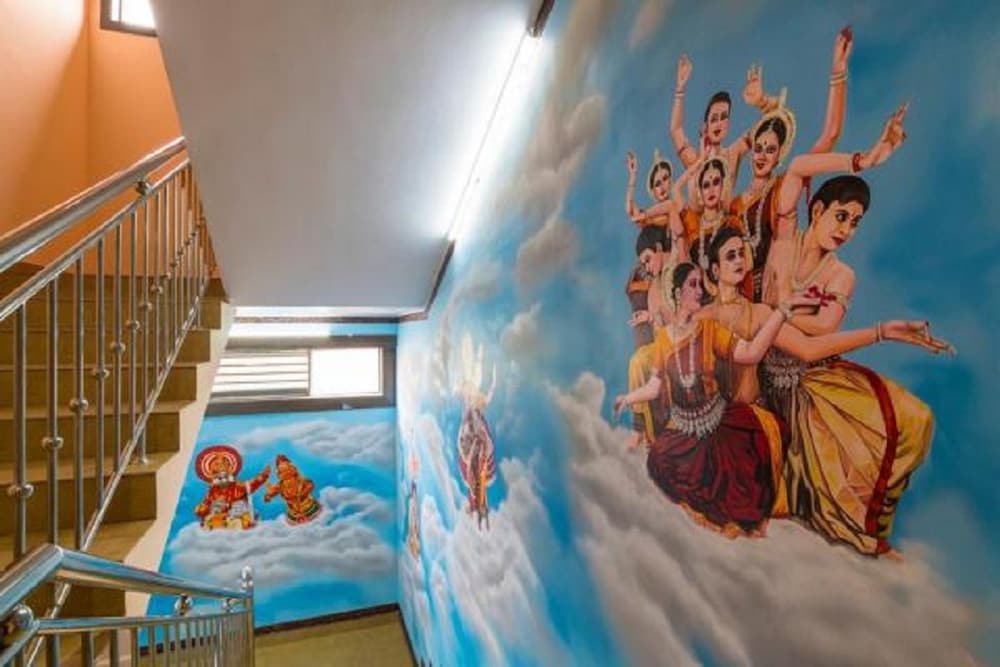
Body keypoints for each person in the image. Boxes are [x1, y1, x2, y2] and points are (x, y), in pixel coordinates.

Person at [760, 115, 950, 555]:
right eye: (842, 216)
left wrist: (778, 312)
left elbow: (819, 336)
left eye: (856, 223)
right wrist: (866, 159)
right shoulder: (783, 240)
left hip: (807, 379)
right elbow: (798, 168)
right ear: (818, 211)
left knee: (912, 419)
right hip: (761, 375)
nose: (846, 230)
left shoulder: (842, 275)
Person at [701, 229, 953, 517]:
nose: (739, 260)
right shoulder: (701, 316)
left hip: (750, 422)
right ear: (715, 269)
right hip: (711, 424)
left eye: (741, 254)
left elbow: (808, 349)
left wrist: (881, 332)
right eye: (730, 256)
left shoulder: (759, 313)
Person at [614, 263, 818, 537]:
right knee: (659, 462)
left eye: (701, 284)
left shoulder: (710, 329)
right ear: (678, 293)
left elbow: (751, 352)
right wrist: (629, 397)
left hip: (719, 424)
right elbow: (654, 386)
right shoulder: (663, 340)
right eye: (693, 284)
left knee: (741, 487)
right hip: (685, 432)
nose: (700, 291)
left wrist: (782, 311)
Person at [730, 27, 853, 300]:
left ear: (779, 155)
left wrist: (838, 73)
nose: (762, 155)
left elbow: (831, 134)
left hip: (776, 298)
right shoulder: (734, 204)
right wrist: (765, 104)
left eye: (770, 150)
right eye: (758, 148)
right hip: (737, 306)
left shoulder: (787, 184)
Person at [194, 445, 270, 530]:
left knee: (239, 509)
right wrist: (202, 509)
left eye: (224, 474)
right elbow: (204, 505)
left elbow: (251, 485)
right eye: (218, 475)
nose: (222, 478)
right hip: (219, 520)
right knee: (210, 519)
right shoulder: (212, 491)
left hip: (237, 518)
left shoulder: (237, 486)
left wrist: (263, 476)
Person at [264, 454, 321, 525]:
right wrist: (268, 496)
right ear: (279, 473)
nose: (286, 473)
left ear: (292, 469)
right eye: (282, 471)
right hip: (293, 512)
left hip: (307, 506)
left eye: (287, 469)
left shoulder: (299, 480)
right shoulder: (281, 485)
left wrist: (303, 493)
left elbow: (310, 484)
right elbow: (274, 491)